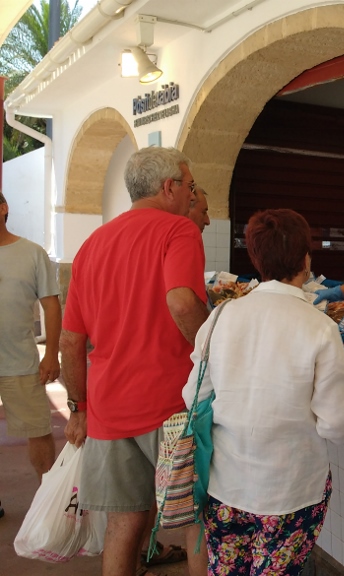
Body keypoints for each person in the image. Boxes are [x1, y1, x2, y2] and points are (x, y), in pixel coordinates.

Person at [183, 208, 344, 575]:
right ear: (305, 259)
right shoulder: (319, 327)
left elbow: (194, 398)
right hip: (291, 491)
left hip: (226, 486)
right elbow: (336, 424)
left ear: (255, 258)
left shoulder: (221, 316)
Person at [60, 146, 209, 576]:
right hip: (171, 407)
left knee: (124, 524)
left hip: (109, 408)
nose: (190, 197)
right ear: (170, 187)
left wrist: (79, 408)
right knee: (195, 522)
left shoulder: (93, 245)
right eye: (191, 187)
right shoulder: (179, 232)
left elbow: (71, 342)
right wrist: (212, 353)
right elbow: (182, 303)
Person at [0, 191, 61, 496]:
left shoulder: (31, 253)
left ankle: (46, 502)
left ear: (3, 208)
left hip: (21, 362)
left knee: (38, 431)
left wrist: (51, 354)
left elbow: (51, 305)